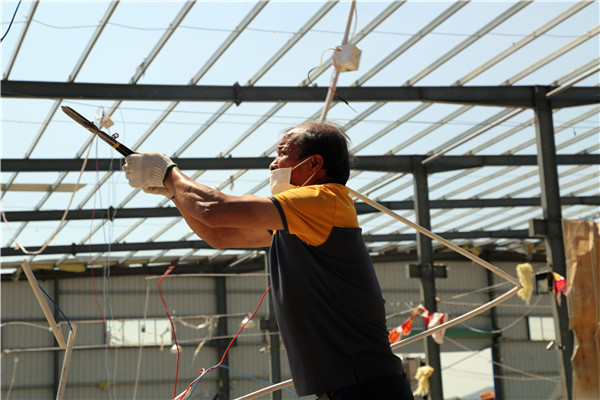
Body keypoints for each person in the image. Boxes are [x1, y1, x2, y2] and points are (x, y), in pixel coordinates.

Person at [123, 121, 414, 399]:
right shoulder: (301, 220)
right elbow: (220, 234)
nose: (273, 164)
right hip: (355, 385)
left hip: (365, 386)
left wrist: (169, 173)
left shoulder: (325, 200)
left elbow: (212, 209)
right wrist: (174, 193)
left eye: (283, 153)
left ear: (314, 164)